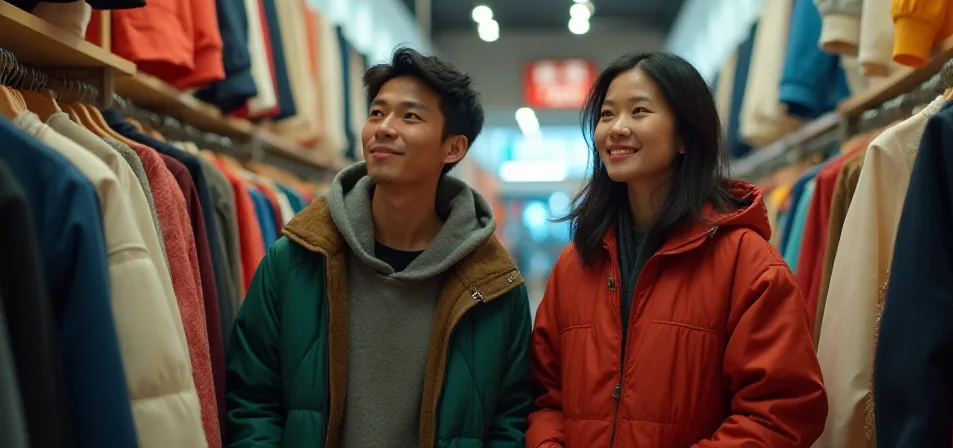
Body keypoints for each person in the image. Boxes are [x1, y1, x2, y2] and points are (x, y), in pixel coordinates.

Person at [225, 47, 535, 447]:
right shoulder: (298, 259)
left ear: (454, 148)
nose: (384, 128)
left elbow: (511, 418)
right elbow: (251, 398)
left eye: (410, 116)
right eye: (376, 113)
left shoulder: (493, 286)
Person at [526, 52, 827, 447]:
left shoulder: (748, 263)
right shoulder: (576, 263)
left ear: (685, 135)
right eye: (606, 114)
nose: (617, 128)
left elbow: (779, 412)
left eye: (639, 111)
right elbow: (545, 397)